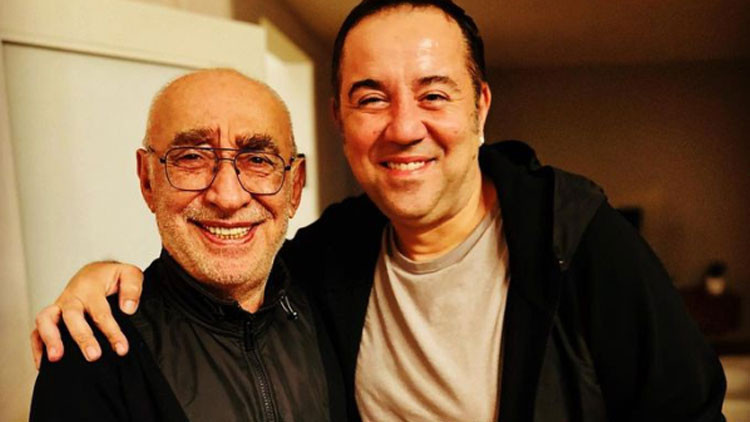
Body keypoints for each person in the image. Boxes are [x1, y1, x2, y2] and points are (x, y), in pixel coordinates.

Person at [32, 1, 727, 420]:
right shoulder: (328, 261)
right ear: (341, 120)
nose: (403, 127)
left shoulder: (575, 239)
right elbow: (220, 271)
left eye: (433, 94)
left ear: (480, 107)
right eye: (371, 98)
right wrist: (103, 276)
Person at [29, 69, 345, 421]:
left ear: (295, 187)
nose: (228, 197)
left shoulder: (331, 301)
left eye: (258, 160)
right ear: (148, 180)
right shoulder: (92, 349)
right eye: (192, 157)